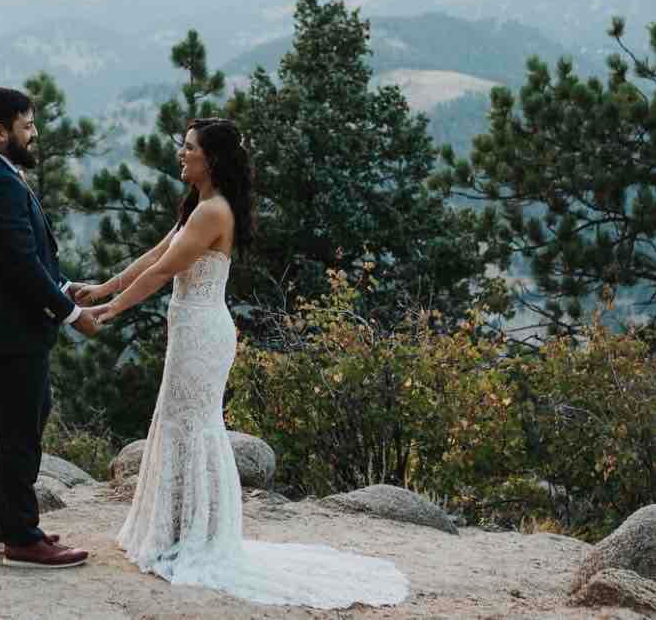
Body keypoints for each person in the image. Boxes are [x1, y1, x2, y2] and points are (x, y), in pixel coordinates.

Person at [79, 117, 409, 609]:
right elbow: (156, 253)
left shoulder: (213, 212)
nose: (181, 154)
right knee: (177, 422)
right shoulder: (197, 208)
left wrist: (110, 310)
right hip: (188, 329)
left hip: (202, 334)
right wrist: (105, 286)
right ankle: (175, 530)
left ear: (210, 159)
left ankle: (196, 536)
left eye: (189, 148)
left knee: (194, 427)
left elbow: (168, 269)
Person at [0, 87, 99, 569]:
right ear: (0, 132)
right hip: (8, 329)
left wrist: (65, 286)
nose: (34, 135)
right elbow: (18, 264)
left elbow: (24, 255)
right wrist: (72, 314)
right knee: (21, 433)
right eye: (27, 126)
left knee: (27, 418)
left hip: (7, 326)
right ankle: (22, 537)